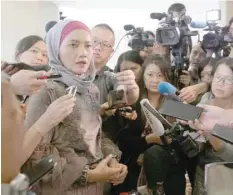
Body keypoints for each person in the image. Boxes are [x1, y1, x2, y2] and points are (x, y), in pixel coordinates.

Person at [22, 20, 128, 195]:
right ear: (56, 49)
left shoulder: (90, 88)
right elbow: (36, 157)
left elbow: (94, 137)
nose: (83, 53)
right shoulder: (45, 90)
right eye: (73, 45)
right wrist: (87, 175)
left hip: (96, 187)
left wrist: (112, 160)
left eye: (88, 46)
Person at [186, 57, 233, 195]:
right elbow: (198, 145)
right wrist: (195, 135)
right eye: (218, 77)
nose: (221, 83)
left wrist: (212, 136)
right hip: (205, 171)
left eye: (229, 79)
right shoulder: (206, 99)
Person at [91, 24, 139, 105]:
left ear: (111, 52)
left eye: (105, 44)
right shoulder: (71, 71)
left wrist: (131, 92)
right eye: (94, 41)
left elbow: (122, 91)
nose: (98, 47)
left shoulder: (111, 77)